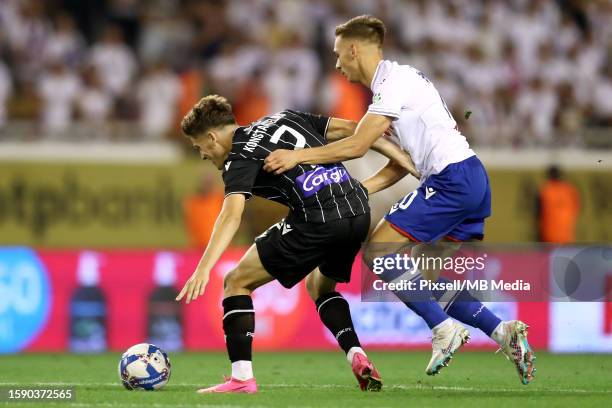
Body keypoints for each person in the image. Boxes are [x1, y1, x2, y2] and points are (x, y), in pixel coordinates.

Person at [263, 15, 535, 384]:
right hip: (467, 178)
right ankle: (503, 332)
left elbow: (359, 144)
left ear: (355, 49)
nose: (337, 63)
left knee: (377, 252)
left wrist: (297, 157)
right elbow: (402, 163)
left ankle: (443, 330)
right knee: (425, 278)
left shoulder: (394, 83)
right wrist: (363, 190)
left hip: (451, 179)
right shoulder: (397, 86)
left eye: (339, 54)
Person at [175, 95, 415, 393]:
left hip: (318, 218)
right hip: (357, 211)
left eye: (200, 147)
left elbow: (231, 216)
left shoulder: (239, 157)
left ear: (211, 137)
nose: (203, 155)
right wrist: (400, 156)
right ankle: (357, 354)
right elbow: (356, 130)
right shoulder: (284, 117)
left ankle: (241, 379)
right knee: (320, 287)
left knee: (236, 281)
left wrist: (203, 268)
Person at [536, 165, 580, 243]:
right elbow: (576, 210)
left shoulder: (545, 190)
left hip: (548, 235)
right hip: (566, 235)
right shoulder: (570, 189)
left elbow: (538, 212)